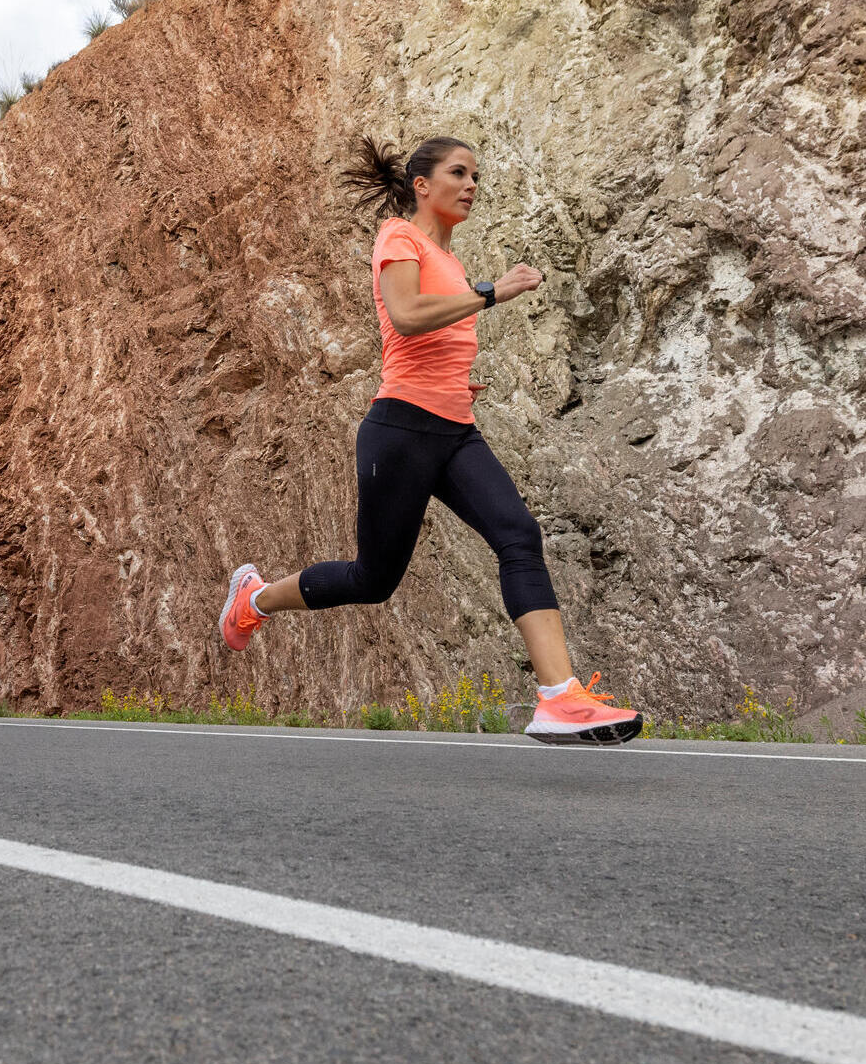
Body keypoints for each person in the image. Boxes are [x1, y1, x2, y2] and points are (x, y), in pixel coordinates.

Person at [218, 137, 641, 745]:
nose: (471, 185)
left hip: (454, 430)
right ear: (422, 185)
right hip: (401, 429)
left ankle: (559, 698)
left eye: (477, 176)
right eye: (458, 173)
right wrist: (493, 291)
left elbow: (432, 336)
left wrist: (460, 378)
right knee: (373, 580)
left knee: (519, 535)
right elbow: (407, 315)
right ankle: (254, 601)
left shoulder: (450, 258)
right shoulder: (400, 237)